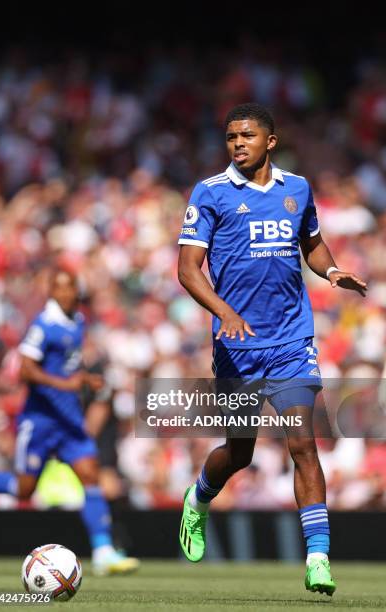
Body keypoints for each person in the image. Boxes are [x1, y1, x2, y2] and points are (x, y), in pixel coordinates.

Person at [177, 103, 367, 596]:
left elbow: (313, 242)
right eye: (230, 137)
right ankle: (197, 501)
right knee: (239, 453)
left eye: (246, 135)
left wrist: (331, 271)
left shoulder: (297, 189)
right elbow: (187, 269)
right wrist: (224, 312)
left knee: (302, 443)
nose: (238, 143)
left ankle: (319, 558)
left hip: (290, 340)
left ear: (270, 141)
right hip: (237, 347)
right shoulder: (211, 193)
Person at [0, 269, 139, 576]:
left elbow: (68, 366)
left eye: (70, 288)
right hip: (40, 422)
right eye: (59, 288)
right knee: (24, 489)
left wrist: (85, 380)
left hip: (69, 421)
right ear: (51, 291)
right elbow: (25, 370)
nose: (65, 293)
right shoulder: (44, 325)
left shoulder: (78, 321)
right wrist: (65, 385)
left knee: (90, 475)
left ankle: (104, 552)